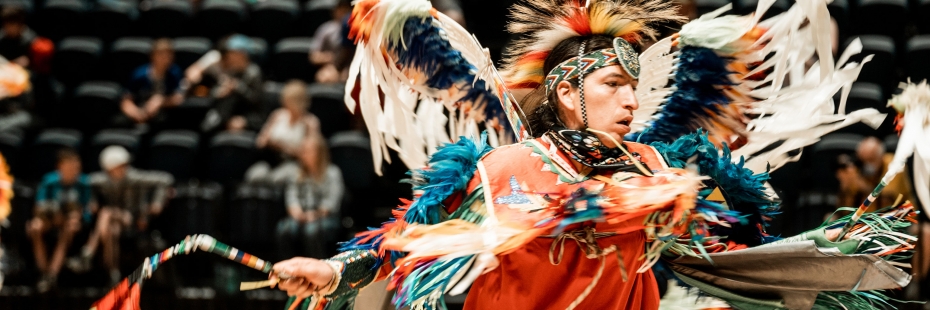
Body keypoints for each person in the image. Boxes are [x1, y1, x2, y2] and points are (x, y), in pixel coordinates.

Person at [78, 146, 174, 284]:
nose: (123, 169)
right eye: (119, 167)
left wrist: (157, 203)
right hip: (115, 222)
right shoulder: (102, 180)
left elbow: (166, 179)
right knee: (111, 230)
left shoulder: (134, 177)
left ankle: (88, 251)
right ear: (109, 169)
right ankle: (113, 272)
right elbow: (83, 183)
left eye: (124, 166)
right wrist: (91, 201)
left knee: (106, 213)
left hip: (133, 219)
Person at [27, 148, 91, 293]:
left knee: (68, 227)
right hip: (50, 219)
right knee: (35, 227)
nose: (74, 170)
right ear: (60, 167)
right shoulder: (49, 181)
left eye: (76, 167)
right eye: (70, 167)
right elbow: (38, 207)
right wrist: (52, 215)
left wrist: (78, 215)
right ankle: (44, 271)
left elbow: (88, 211)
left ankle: (51, 274)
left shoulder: (84, 183)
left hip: (71, 224)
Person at [275, 134, 344, 259]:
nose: (303, 154)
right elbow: (292, 196)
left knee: (311, 231)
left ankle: (319, 268)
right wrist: (295, 211)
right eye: (303, 151)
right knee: (284, 228)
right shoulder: (296, 173)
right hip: (301, 215)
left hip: (325, 216)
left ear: (319, 153)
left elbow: (332, 202)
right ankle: (288, 270)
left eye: (308, 151)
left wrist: (315, 214)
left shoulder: (332, 172)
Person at [246, 80, 321, 184]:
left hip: (294, 164)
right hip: (271, 160)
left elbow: (312, 154)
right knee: (255, 175)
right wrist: (269, 142)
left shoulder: (310, 122)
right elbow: (260, 142)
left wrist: (285, 148)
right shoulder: (277, 115)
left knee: (279, 179)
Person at [186, 34, 263, 132]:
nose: (229, 57)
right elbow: (215, 92)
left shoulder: (254, 73)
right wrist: (220, 92)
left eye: (232, 54)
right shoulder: (231, 71)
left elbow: (256, 100)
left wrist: (238, 87)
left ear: (242, 54)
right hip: (225, 113)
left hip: (246, 114)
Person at [836, 137, 913, 210]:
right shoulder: (856, 169)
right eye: (863, 160)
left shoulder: (894, 165)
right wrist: (845, 189)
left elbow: (887, 199)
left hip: (898, 215)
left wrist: (862, 186)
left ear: (881, 156)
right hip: (864, 218)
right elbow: (845, 209)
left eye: (871, 159)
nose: (867, 164)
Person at [121, 38, 185, 126]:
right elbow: (126, 101)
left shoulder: (175, 73)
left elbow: (178, 98)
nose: (165, 59)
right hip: (139, 111)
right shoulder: (139, 74)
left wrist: (161, 101)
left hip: (163, 116)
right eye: (161, 55)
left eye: (168, 55)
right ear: (152, 56)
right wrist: (135, 113)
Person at [309, 0, 352, 83]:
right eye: (340, 9)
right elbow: (313, 57)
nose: (343, 13)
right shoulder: (326, 29)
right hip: (330, 66)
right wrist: (328, 58)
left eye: (346, 9)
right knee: (325, 76)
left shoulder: (357, 31)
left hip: (350, 67)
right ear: (335, 11)